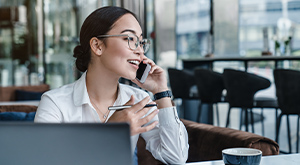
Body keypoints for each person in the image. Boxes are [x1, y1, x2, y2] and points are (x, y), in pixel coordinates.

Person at [34, 6, 189, 164]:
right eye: (130, 39)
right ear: (97, 46)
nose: (140, 51)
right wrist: (108, 132)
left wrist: (161, 92)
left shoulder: (139, 100)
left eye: (141, 42)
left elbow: (176, 158)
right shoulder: (55, 103)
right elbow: (45, 160)